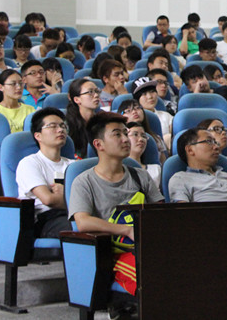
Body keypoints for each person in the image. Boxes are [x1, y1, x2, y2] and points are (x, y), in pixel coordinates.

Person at [68, 112, 164, 316]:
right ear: (99, 144)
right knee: (155, 278)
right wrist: (126, 230)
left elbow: (160, 212)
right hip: (113, 253)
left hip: (148, 247)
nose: (125, 139)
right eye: (117, 134)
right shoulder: (84, 182)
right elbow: (82, 222)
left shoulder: (140, 176)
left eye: (125, 133)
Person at [15, 107, 73, 237]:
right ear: (38, 136)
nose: (60, 130)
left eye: (63, 126)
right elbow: (48, 199)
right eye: (52, 126)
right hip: (47, 219)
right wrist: (72, 196)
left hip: (76, 214)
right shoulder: (30, 163)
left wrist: (64, 195)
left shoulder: (73, 165)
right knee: (81, 228)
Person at [168, 127, 227, 202]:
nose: (216, 147)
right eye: (209, 141)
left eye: (215, 142)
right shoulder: (180, 178)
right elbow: (182, 211)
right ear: (190, 150)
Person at [118, 99, 167, 164]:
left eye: (137, 108)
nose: (134, 112)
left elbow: (163, 163)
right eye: (128, 111)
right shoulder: (119, 139)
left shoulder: (156, 138)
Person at [131, 77, 173, 151]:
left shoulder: (166, 116)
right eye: (144, 94)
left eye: (152, 91)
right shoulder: (134, 118)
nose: (150, 97)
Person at [65, 78, 101, 158]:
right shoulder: (67, 125)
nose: (96, 95)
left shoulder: (103, 121)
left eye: (97, 91)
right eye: (90, 92)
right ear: (77, 99)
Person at [127, 121, 162, 188]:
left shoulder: (156, 169)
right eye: (135, 134)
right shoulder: (119, 170)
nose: (141, 139)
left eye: (143, 136)